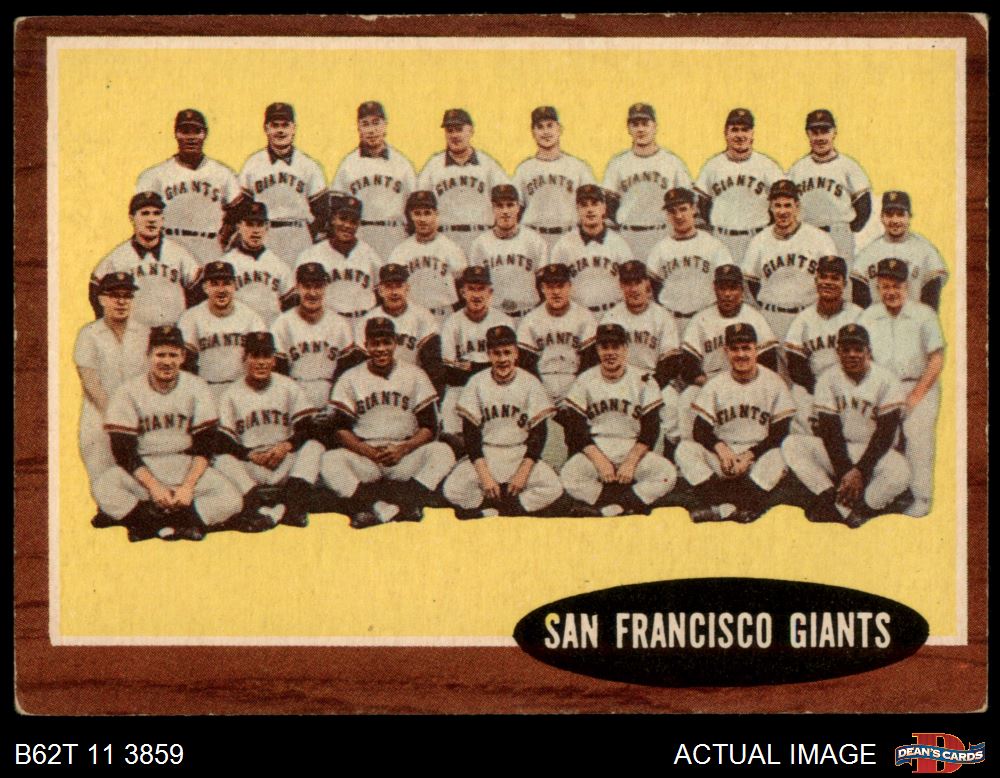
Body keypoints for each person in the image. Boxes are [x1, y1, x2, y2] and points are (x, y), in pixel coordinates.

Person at [94, 325, 242, 541]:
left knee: (232, 499)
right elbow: (123, 451)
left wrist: (188, 487)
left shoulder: (196, 386)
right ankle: (182, 523)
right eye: (160, 354)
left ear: (182, 356)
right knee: (104, 486)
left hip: (184, 465)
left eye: (173, 355)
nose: (166, 361)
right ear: (148, 355)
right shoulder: (128, 391)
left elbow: (205, 445)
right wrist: (154, 487)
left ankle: (148, 523)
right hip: (145, 468)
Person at [319, 317, 455, 529]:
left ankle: (399, 503)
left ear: (395, 343)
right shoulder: (350, 377)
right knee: (329, 460)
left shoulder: (415, 375)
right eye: (375, 343)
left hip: (404, 454)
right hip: (366, 456)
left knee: (443, 452)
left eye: (386, 342)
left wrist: (404, 448)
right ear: (366, 345)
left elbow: (429, 426)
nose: (381, 349)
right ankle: (382, 505)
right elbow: (340, 429)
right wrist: (366, 451)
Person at [782, 323, 910, 527]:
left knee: (901, 470)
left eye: (858, 349)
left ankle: (855, 509)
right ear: (838, 351)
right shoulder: (827, 379)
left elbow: (885, 434)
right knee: (792, 444)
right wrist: (847, 473)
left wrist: (860, 472)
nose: (852, 355)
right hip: (839, 450)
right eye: (846, 349)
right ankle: (829, 495)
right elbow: (830, 432)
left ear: (868, 351)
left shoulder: (886, 380)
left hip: (873, 452)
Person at [675, 323, 795, 524]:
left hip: (757, 455)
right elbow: (700, 429)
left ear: (756, 349)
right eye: (735, 349)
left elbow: (780, 432)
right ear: (726, 351)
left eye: (746, 348)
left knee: (781, 454)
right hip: (724, 455)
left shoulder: (774, 382)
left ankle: (720, 507)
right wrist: (722, 450)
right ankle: (742, 507)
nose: (741, 354)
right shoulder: (716, 384)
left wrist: (750, 455)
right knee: (685, 449)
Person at [443, 325, 563, 518]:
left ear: (516, 353)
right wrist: (485, 476)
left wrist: (523, 472)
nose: (502, 359)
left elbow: (539, 433)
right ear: (488, 355)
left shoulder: (530, 382)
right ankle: (499, 507)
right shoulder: (477, 382)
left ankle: (500, 509)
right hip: (487, 453)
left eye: (507, 352)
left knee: (553, 487)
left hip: (519, 451)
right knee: (452, 489)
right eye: (496, 353)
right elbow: (471, 435)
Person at [857, 258, 945, 518]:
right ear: (877, 287)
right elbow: (864, 359)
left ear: (907, 285)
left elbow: (936, 359)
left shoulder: (923, 314)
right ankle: (879, 494)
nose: (891, 291)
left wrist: (914, 398)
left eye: (896, 285)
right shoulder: (868, 316)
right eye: (885, 286)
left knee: (917, 434)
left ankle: (921, 497)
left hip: (920, 384)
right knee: (871, 434)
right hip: (884, 388)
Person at [560, 323, 677, 516]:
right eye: (604, 347)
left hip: (632, 447)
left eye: (616, 346)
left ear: (625, 348)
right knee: (569, 474)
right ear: (597, 349)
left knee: (667, 474)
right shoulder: (585, 380)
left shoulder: (644, 380)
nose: (610, 352)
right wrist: (600, 462)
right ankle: (627, 505)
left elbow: (650, 429)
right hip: (597, 447)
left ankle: (607, 507)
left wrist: (631, 462)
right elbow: (576, 429)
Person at [214, 332, 324, 531]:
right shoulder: (231, 394)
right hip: (252, 465)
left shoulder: (288, 386)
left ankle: (291, 507)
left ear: (274, 360)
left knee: (314, 447)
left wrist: (286, 446)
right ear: (244, 359)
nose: (261, 362)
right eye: (255, 356)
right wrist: (249, 454)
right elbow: (223, 439)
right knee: (222, 461)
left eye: (266, 356)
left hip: (284, 460)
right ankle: (261, 508)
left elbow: (308, 426)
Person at [75, 272, 150, 509]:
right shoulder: (89, 334)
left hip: (136, 414)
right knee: (101, 472)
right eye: (114, 295)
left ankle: (138, 517)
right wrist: (113, 414)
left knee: (137, 473)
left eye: (127, 296)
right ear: (101, 299)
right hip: (99, 414)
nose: (121, 301)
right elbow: (89, 380)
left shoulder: (145, 333)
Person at [678, 264, 778, 439]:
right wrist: (713, 386)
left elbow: (769, 363)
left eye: (733, 288)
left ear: (742, 289)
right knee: (688, 396)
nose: (727, 294)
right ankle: (689, 444)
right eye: (722, 288)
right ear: (714, 288)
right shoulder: (701, 319)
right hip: (710, 383)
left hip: (748, 384)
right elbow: (688, 366)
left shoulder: (755, 318)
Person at [135, 108, 243, 265]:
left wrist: (224, 239)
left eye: (197, 131)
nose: (191, 137)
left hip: (209, 245)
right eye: (185, 131)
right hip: (170, 244)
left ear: (205, 134)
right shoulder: (155, 176)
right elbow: (141, 218)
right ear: (176, 134)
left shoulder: (223, 174)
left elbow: (238, 213)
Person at [741, 179, 838, 345]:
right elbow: (751, 282)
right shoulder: (759, 241)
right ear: (770, 207)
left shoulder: (819, 238)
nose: (782, 211)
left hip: (809, 315)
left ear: (797, 206)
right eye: (777, 206)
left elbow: (833, 278)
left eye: (787, 205)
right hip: (773, 317)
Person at [90, 191, 202, 328]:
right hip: (133, 334)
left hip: (172, 334)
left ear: (162, 219)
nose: (151, 219)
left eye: (156, 213)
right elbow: (96, 289)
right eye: (145, 213)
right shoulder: (118, 257)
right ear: (132, 218)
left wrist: (187, 325)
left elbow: (199, 290)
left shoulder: (179, 254)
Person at [238, 102, 328, 266]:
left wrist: (309, 234)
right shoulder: (253, 164)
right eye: (275, 125)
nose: (280, 130)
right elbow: (241, 207)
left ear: (293, 128)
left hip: (298, 233)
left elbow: (322, 210)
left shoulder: (308, 165)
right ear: (266, 128)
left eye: (285, 125)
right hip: (265, 233)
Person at [603, 102, 694, 262]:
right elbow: (608, 207)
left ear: (655, 126)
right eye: (635, 124)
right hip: (628, 236)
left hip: (664, 233)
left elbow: (689, 202)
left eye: (645, 123)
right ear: (628, 128)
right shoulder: (618, 164)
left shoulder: (672, 162)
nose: (640, 129)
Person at [438, 266, 517, 451]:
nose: (476, 294)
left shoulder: (503, 321)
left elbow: (510, 363)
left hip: (497, 385)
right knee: (450, 412)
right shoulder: (452, 322)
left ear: (490, 292)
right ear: (462, 292)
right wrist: (485, 367)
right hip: (462, 387)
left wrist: (471, 367)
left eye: (481, 289)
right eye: (471, 289)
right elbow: (450, 370)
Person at [694, 108, 784, 265]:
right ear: (726, 133)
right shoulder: (713, 166)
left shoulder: (767, 166)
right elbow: (701, 205)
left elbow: (782, 202)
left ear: (752, 133)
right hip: (722, 239)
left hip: (758, 237)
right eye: (734, 130)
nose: (740, 135)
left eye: (745, 130)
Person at [784, 256, 863, 432]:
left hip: (850, 386)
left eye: (835, 278)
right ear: (816, 280)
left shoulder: (858, 316)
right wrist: (820, 391)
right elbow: (796, 367)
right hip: (813, 387)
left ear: (845, 284)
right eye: (824, 276)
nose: (828, 282)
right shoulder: (803, 319)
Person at [417, 108, 510, 256]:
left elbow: (508, 200)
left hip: (481, 235)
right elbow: (417, 204)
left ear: (471, 131)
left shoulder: (488, 165)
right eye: (450, 130)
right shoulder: (433, 166)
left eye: (459, 129)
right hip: (445, 236)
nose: (454, 135)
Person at [331, 101, 417, 261]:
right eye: (365, 124)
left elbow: (414, 205)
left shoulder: (402, 164)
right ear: (358, 128)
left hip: (395, 234)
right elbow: (335, 207)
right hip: (360, 233)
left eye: (376, 123)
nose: (371, 130)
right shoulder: (348, 164)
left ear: (385, 125)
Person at [645, 187, 733, 338]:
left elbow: (726, 284)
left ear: (694, 209)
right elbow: (653, 287)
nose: (678, 216)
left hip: (707, 319)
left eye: (683, 209)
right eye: (672, 211)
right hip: (673, 321)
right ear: (667, 215)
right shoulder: (659, 249)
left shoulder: (714, 245)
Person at [787, 109, 872, 262]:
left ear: (834, 132)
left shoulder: (849, 166)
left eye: (825, 131)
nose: (820, 137)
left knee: (841, 276)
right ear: (808, 134)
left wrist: (846, 229)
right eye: (815, 132)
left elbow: (864, 206)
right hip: (806, 233)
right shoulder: (797, 169)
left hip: (838, 234)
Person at [270, 262, 359, 409]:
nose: (312, 293)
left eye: (318, 286)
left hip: (331, 397)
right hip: (294, 398)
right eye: (307, 286)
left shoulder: (340, 324)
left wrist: (335, 405)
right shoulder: (282, 324)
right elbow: (278, 375)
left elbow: (347, 374)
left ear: (325, 287)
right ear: (297, 287)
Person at [177, 260, 266, 402]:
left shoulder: (251, 317)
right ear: (205, 287)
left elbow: (261, 361)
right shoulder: (190, 317)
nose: (221, 290)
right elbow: (185, 365)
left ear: (234, 286)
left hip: (243, 390)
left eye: (226, 283)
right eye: (214, 284)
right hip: (207, 389)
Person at [513, 106, 598, 252]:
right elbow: (514, 209)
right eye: (540, 127)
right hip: (533, 236)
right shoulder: (524, 169)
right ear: (533, 132)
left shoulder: (578, 167)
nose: (546, 132)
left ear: (559, 129)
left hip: (570, 236)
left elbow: (595, 206)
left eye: (550, 125)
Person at [851, 191, 949, 310]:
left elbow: (931, 302)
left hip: (914, 319)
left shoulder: (926, 251)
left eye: (900, 214)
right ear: (881, 217)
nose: (895, 220)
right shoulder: (867, 254)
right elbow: (859, 304)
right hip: (876, 320)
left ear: (909, 217)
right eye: (889, 214)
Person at [294, 193, 382, 321]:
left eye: (353, 221)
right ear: (333, 219)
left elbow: (381, 294)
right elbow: (298, 296)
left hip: (363, 320)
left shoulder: (370, 254)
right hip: (328, 322)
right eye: (343, 218)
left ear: (358, 224)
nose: (347, 225)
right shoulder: (311, 255)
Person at [549, 184, 633, 315]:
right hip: (577, 314)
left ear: (604, 208)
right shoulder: (563, 245)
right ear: (577, 209)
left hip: (613, 313)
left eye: (594, 204)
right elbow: (554, 286)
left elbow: (630, 284)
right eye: (584, 205)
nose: (590, 210)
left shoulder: (619, 243)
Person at [386, 190, 467, 325]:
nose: (422, 219)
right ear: (410, 216)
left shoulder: (452, 249)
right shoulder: (400, 251)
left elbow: (463, 289)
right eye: (417, 213)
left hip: (444, 315)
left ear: (436, 214)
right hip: (412, 316)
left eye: (427, 213)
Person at [356, 263, 442, 388]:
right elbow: (361, 365)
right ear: (380, 290)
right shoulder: (367, 320)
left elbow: (433, 365)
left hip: (412, 383)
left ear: (407, 288)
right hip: (377, 384)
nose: (394, 292)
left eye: (398, 286)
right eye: (388, 287)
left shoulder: (423, 317)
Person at [468, 183, 547, 320]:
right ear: (492, 208)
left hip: (527, 315)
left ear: (518, 207)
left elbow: (544, 284)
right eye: (499, 206)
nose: (505, 211)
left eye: (510, 205)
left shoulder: (535, 241)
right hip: (493, 316)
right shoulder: (480, 244)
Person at [222, 202, 296, 326]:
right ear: (239, 226)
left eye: (260, 224)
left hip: (270, 331)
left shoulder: (279, 266)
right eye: (250, 224)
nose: (255, 231)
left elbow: (291, 309)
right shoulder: (226, 263)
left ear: (267, 226)